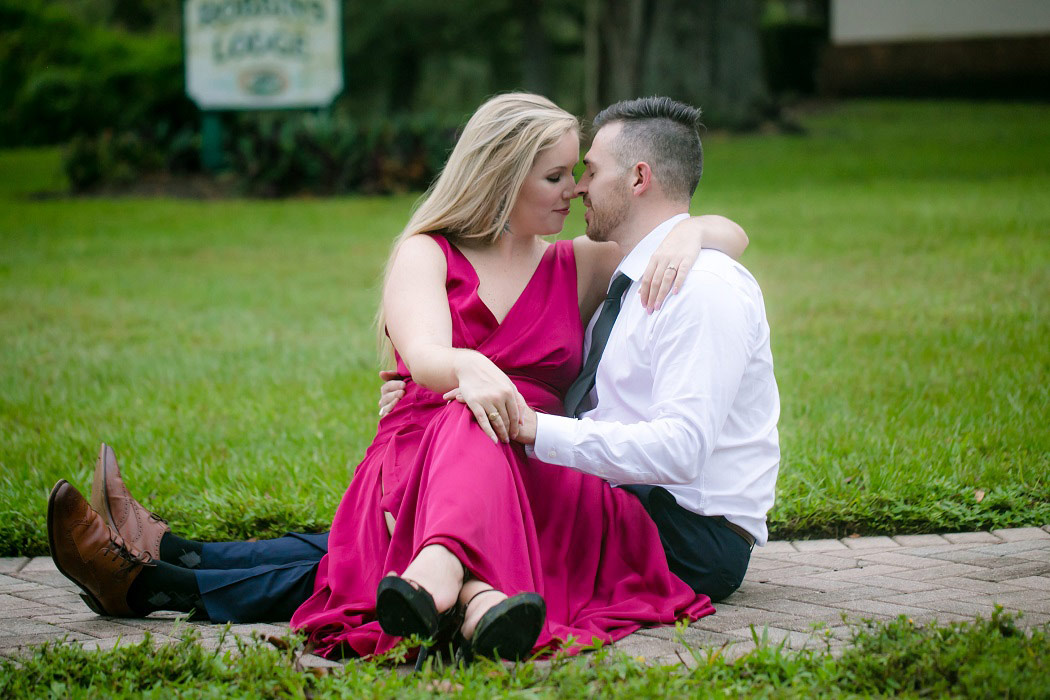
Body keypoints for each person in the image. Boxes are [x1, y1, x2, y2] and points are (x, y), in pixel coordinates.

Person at [46, 93, 749, 663]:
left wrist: (691, 232)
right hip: (432, 443)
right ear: (505, 176)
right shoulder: (427, 252)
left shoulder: (580, 264)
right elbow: (427, 359)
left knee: (365, 546)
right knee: (460, 427)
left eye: (577, 173)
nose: (576, 190)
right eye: (557, 175)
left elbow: (722, 233)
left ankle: (163, 569)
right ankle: (466, 598)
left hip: (532, 460)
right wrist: (469, 369)